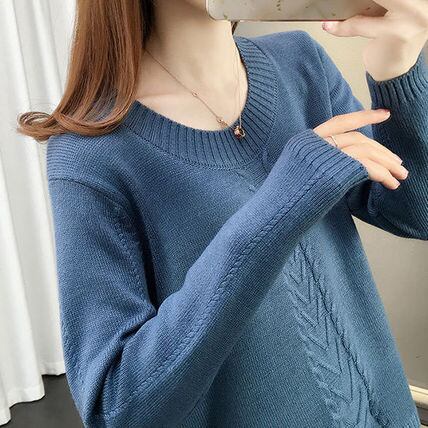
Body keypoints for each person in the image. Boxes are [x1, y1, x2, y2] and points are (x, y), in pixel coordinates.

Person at [17, 0, 428, 427]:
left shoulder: (300, 61)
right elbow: (115, 407)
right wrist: (281, 205)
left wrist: (397, 69)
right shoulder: (91, 155)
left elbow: (416, 214)